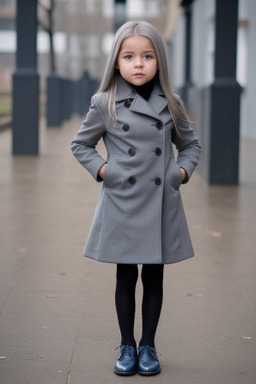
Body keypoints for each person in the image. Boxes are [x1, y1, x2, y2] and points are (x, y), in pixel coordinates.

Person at [71, 20, 201, 376]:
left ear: (159, 61)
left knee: (154, 277)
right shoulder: (104, 102)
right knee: (126, 276)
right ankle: (127, 344)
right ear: (116, 61)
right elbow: (81, 144)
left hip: (160, 201)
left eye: (147, 56)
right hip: (123, 200)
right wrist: (104, 171)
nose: (138, 64)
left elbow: (190, 145)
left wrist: (181, 173)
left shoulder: (170, 103)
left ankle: (149, 345)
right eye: (129, 56)